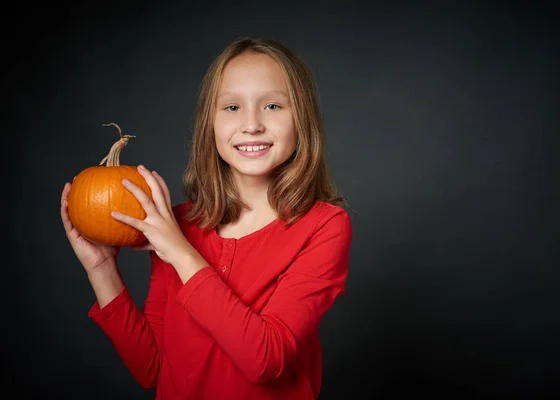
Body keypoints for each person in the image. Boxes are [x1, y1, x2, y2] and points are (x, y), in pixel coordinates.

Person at [60, 36, 352, 400]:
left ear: (302, 117)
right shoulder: (178, 225)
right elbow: (152, 367)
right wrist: (101, 270)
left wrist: (179, 251)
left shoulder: (324, 226)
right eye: (231, 107)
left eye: (273, 105)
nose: (251, 125)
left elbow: (265, 358)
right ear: (209, 123)